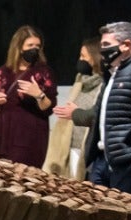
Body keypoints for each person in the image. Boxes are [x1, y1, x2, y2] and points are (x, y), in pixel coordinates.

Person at [56, 21, 131, 195]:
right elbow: (99, 114)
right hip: (102, 160)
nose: (102, 51)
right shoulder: (112, 76)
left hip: (127, 162)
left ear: (126, 45)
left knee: (123, 217)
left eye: (107, 45)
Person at [0, 25, 58, 167]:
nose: (34, 49)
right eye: (30, 45)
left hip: (30, 138)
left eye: (37, 46)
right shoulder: (4, 71)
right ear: (19, 48)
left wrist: (39, 95)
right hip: (2, 136)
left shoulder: (44, 72)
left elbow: (48, 108)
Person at [44, 38, 104, 179]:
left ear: (95, 58)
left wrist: (78, 113)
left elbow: (97, 115)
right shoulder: (79, 81)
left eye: (84, 56)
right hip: (71, 147)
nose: (80, 60)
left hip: (90, 152)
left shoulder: (104, 86)